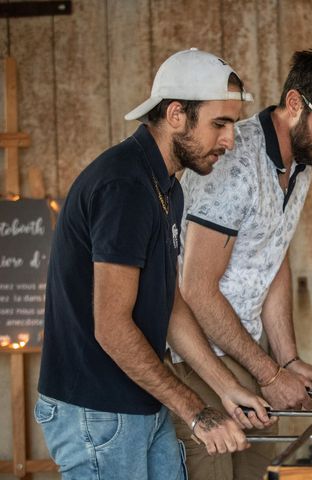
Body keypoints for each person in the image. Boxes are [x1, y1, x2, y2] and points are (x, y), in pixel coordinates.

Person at [35, 48, 273, 480]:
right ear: (177, 114)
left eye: (232, 126)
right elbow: (111, 325)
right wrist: (197, 413)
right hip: (97, 411)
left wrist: (226, 388)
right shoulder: (124, 186)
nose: (230, 141)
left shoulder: (167, 187)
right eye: (220, 124)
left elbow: (169, 304)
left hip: (142, 399)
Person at [169, 48, 312, 480]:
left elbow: (272, 255)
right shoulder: (233, 161)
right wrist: (270, 373)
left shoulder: (304, 161)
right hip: (194, 356)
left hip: (245, 348)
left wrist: (288, 360)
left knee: (264, 470)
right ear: (295, 104)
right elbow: (196, 289)